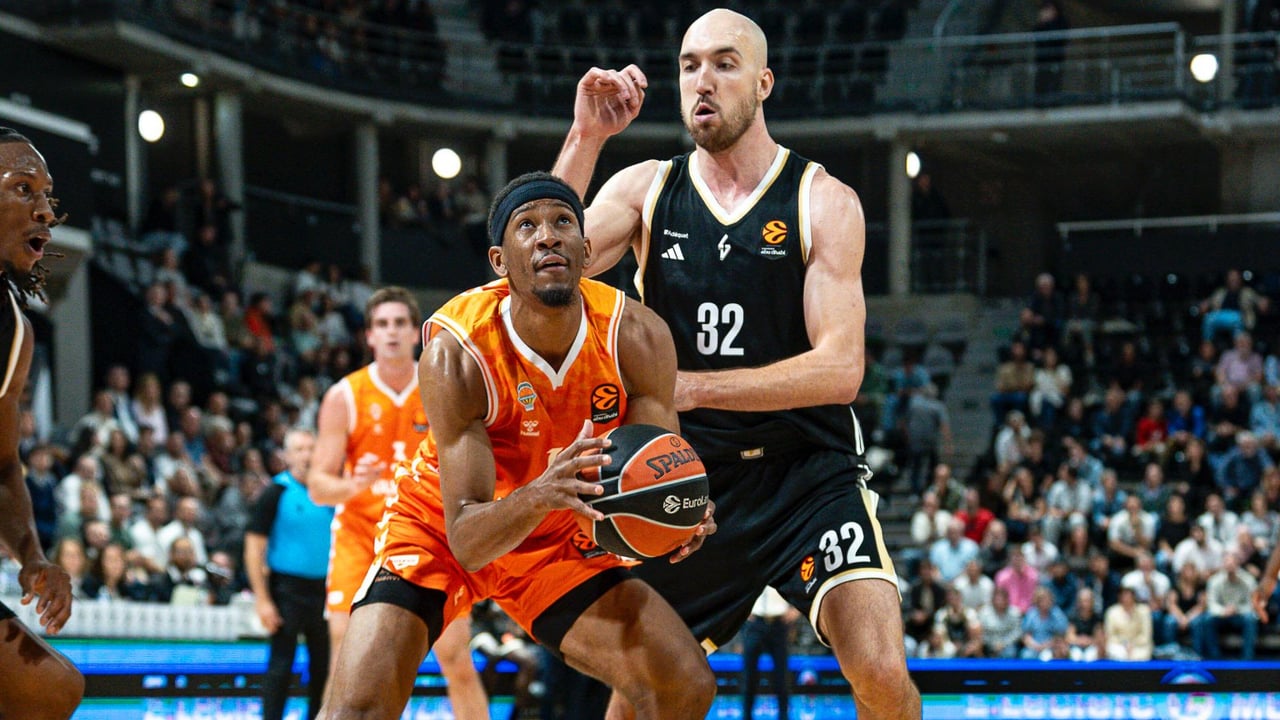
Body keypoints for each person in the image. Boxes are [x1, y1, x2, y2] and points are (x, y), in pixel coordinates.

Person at [552, 9, 919, 717]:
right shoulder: (646, 189)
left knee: (878, 668)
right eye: (690, 65)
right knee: (644, 695)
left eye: (724, 64)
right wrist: (585, 137)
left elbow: (840, 370)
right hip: (689, 481)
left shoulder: (820, 200)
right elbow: (541, 272)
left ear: (763, 82)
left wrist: (691, 387)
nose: (703, 81)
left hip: (805, 474)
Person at [317, 173, 716, 720]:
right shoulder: (457, 352)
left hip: (557, 537)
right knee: (357, 710)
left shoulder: (637, 336)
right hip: (443, 527)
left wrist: (675, 520)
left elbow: (655, 472)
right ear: (500, 262)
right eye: (527, 226)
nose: (548, 235)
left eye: (563, 222)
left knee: (683, 685)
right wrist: (539, 494)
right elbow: (467, 540)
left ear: (586, 250)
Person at [306, 286, 489, 718]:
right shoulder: (344, 396)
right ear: (369, 335)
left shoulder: (443, 384)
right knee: (344, 662)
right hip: (360, 536)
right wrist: (353, 485)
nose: (391, 332)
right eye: (382, 324)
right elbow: (317, 485)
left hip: (428, 533)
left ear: (415, 332)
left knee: (455, 658)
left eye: (400, 323)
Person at [0, 126, 84, 719]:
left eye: (47, 195)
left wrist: (32, 557)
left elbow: (3, 465)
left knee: (49, 690)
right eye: (22, 188)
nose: (45, 211)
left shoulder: (13, 330)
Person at [244, 428, 333, 720]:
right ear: (286, 456)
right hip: (286, 590)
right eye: (299, 449)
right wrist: (262, 600)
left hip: (325, 590)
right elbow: (253, 548)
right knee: (281, 666)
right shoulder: (276, 492)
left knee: (324, 668)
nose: (306, 455)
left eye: (311, 448)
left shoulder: (331, 493)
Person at [740, 586, 799, 720]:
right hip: (755, 622)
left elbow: (799, 586)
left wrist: (796, 610)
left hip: (779, 622)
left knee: (781, 676)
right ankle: (746, 716)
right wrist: (742, 610)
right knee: (749, 675)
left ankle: (784, 716)